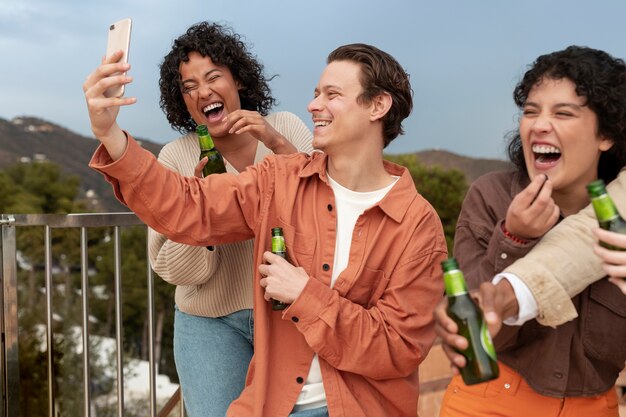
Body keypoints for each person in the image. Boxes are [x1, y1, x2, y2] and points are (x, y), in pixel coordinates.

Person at [84, 42, 447, 417]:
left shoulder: (417, 226)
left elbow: (398, 348)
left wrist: (305, 295)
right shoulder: (280, 180)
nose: (313, 105)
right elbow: (188, 206)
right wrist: (110, 133)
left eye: (332, 94)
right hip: (268, 403)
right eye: (315, 93)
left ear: (377, 105)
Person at [435, 46, 626, 417]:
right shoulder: (490, 196)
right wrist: (514, 239)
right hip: (488, 400)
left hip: (595, 407)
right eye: (530, 111)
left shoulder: (618, 212)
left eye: (563, 113)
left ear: (606, 135)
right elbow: (485, 336)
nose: (539, 124)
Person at [145, 22, 313, 417]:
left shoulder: (285, 128)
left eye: (213, 77)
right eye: (188, 87)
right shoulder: (175, 159)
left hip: (289, 314)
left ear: (237, 79)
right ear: (181, 100)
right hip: (208, 324)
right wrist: (202, 214)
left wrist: (277, 145)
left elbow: (320, 213)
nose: (202, 92)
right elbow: (169, 267)